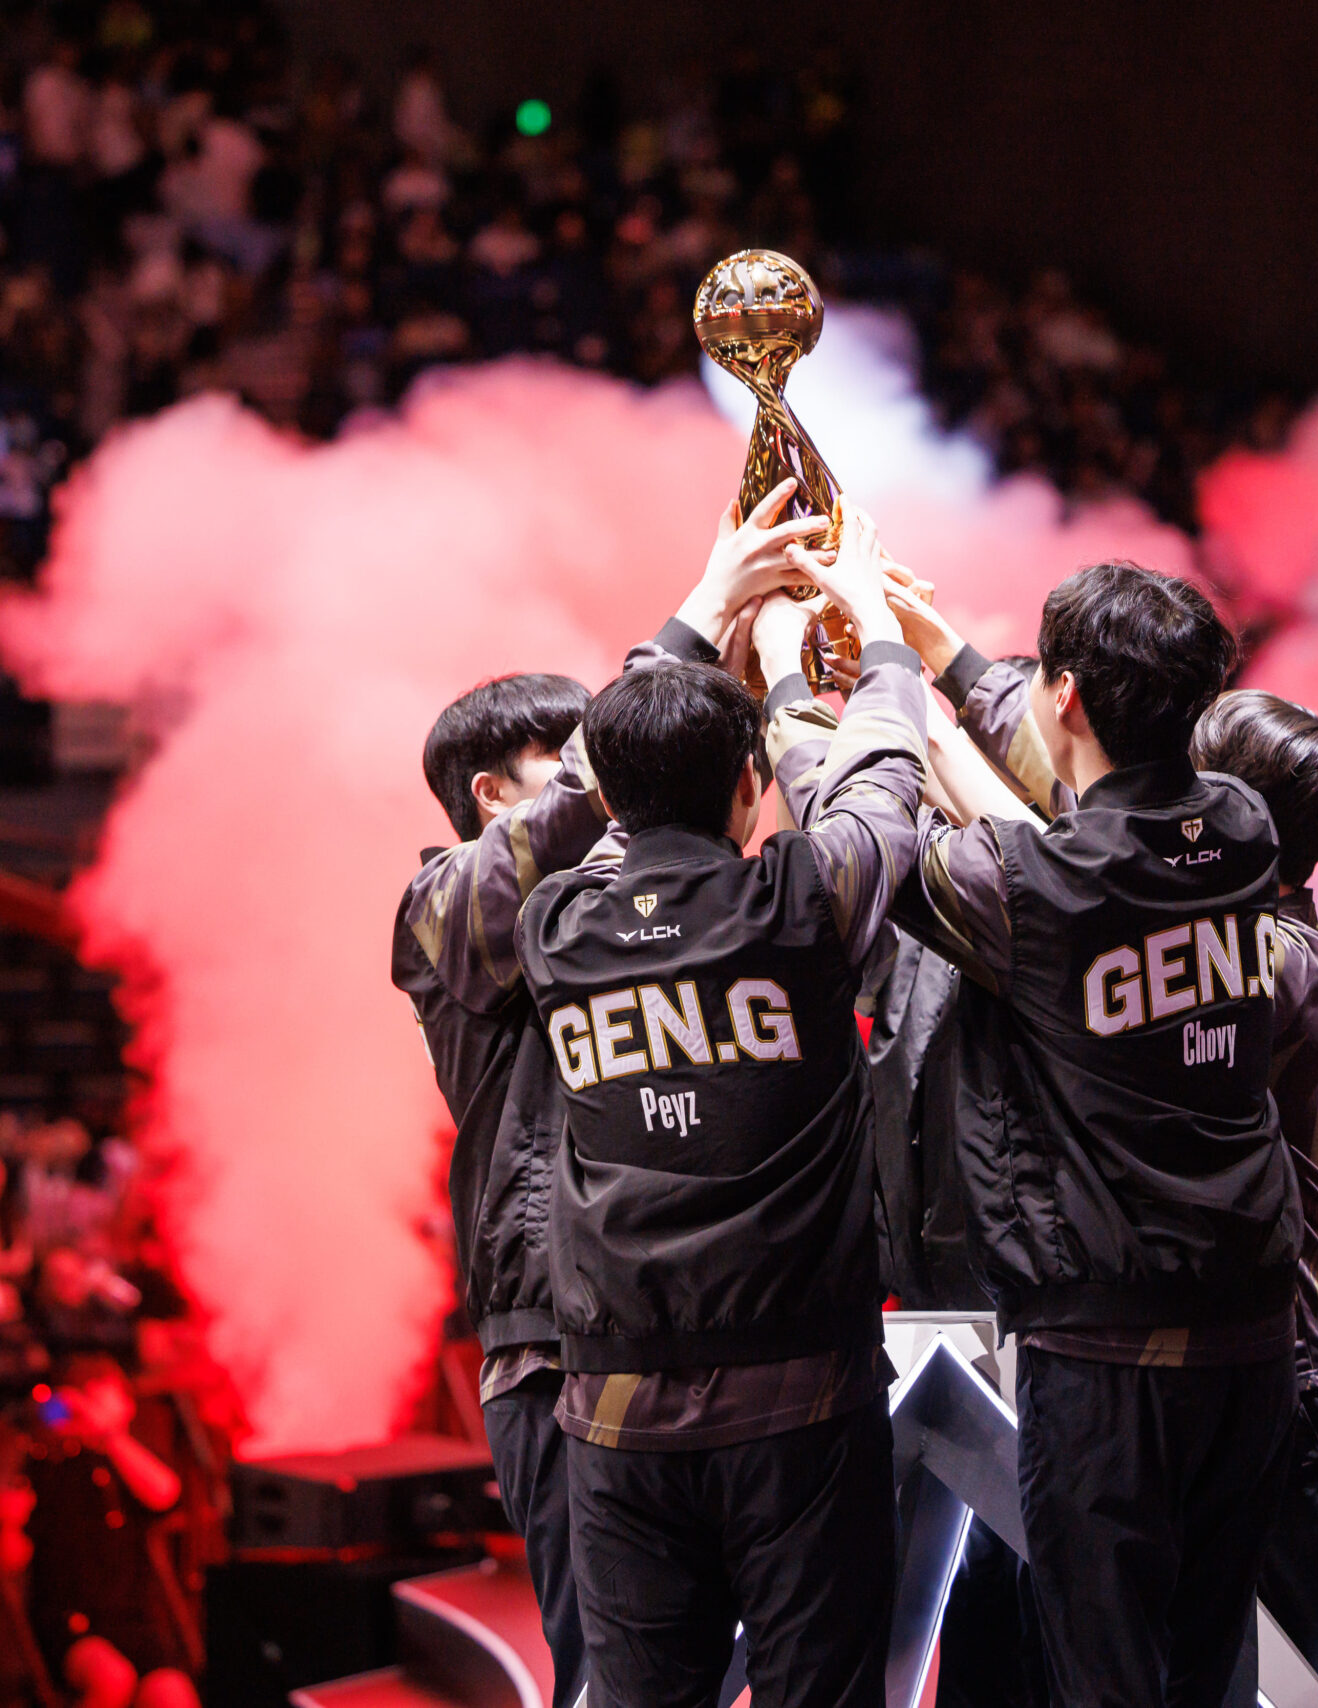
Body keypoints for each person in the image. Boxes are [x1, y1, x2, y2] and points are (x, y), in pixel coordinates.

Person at [393, 479, 828, 1708]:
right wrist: (700, 608)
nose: (610, 779)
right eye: (572, 747)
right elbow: (599, 790)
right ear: (495, 795)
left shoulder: (620, 907)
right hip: (551, 1347)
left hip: (683, 1329)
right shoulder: (449, 909)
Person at [518, 508, 922, 1708]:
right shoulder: (800, 897)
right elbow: (885, 783)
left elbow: (601, 797)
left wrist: (701, 613)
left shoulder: (557, 928)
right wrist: (861, 648)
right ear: (752, 783)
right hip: (799, 1399)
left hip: (614, 1407)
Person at [878, 561, 1298, 1708]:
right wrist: (947, 660)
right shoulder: (1244, 828)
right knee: (1205, 1670)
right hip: (1252, 1337)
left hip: (1110, 1360)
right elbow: (1048, 827)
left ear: (1063, 694)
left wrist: (874, 682)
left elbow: (887, 833)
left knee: (1102, 1681)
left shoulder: (1037, 889)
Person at [1188, 689, 1318, 1708]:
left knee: (1304, 1687)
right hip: (1283, 1367)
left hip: (1305, 1374)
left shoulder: (1267, 959)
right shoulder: (1251, 928)